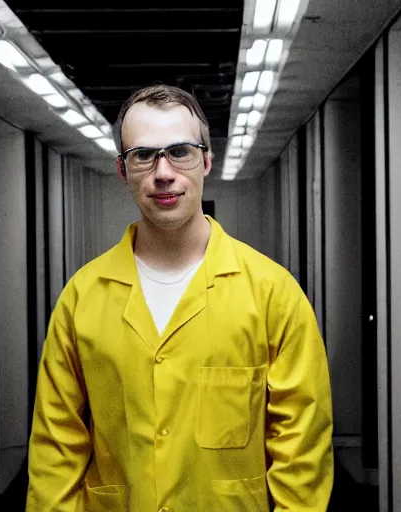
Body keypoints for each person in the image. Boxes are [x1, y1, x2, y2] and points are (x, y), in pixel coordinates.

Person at [26, 84, 334, 511]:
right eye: (143, 155)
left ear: (207, 160)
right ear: (122, 169)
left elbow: (302, 453)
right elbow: (56, 450)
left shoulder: (272, 294)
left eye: (181, 152)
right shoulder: (82, 298)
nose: (163, 172)